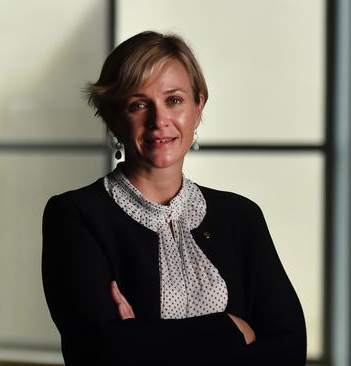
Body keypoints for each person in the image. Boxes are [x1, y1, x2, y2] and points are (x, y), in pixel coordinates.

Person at [41, 31, 306, 365]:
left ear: (199, 106)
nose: (159, 121)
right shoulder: (75, 216)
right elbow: (98, 352)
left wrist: (144, 341)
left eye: (174, 100)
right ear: (112, 116)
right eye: (139, 104)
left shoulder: (241, 216)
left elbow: (289, 348)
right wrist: (230, 329)